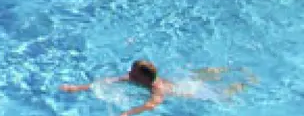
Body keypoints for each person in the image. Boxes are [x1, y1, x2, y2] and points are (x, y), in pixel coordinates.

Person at [60, 59, 254, 115]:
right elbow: (108, 81)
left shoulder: (157, 89)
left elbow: (151, 105)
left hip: (190, 91)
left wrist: (128, 113)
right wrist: (77, 88)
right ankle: (228, 70)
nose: (129, 73)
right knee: (198, 74)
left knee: (222, 94)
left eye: (133, 72)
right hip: (181, 81)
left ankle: (243, 83)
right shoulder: (135, 78)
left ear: (144, 77)